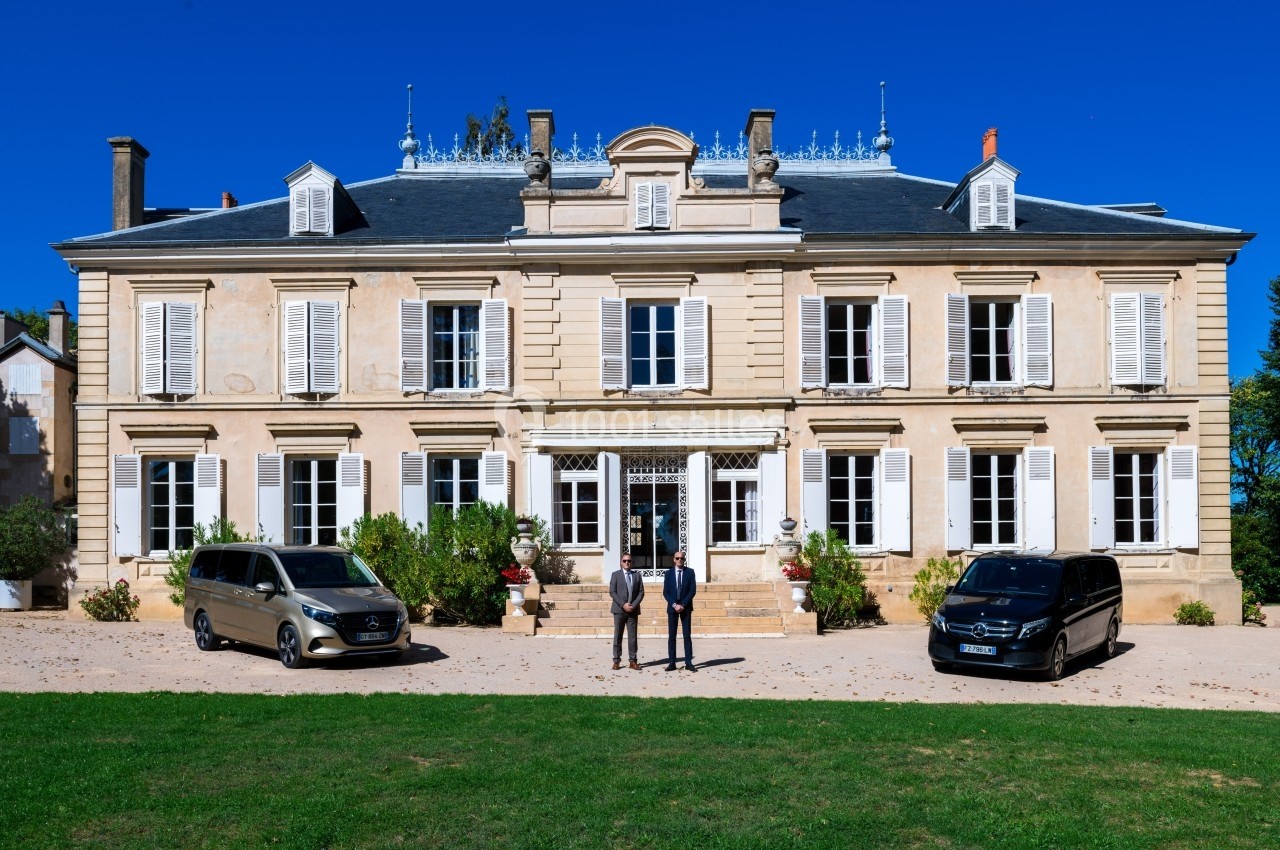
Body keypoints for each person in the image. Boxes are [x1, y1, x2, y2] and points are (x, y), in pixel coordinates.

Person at [609, 554, 645, 670]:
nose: (627, 562)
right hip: (619, 610)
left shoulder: (637, 575)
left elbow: (641, 592)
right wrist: (623, 604)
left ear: (631, 562)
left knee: (632, 637)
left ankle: (633, 661)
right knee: (618, 636)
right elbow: (612, 592)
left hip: (632, 611)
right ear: (621, 562)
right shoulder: (615, 575)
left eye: (629, 561)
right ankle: (616, 660)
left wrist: (633, 605)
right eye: (624, 560)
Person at [663, 550, 696, 671]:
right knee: (672, 636)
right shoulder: (668, 573)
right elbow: (666, 592)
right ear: (674, 559)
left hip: (685, 608)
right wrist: (674, 604)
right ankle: (672, 662)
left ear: (684, 559)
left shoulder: (690, 572)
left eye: (681, 558)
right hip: (672, 608)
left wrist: (682, 604)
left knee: (687, 636)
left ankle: (688, 662)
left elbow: (692, 591)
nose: (679, 560)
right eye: (677, 558)